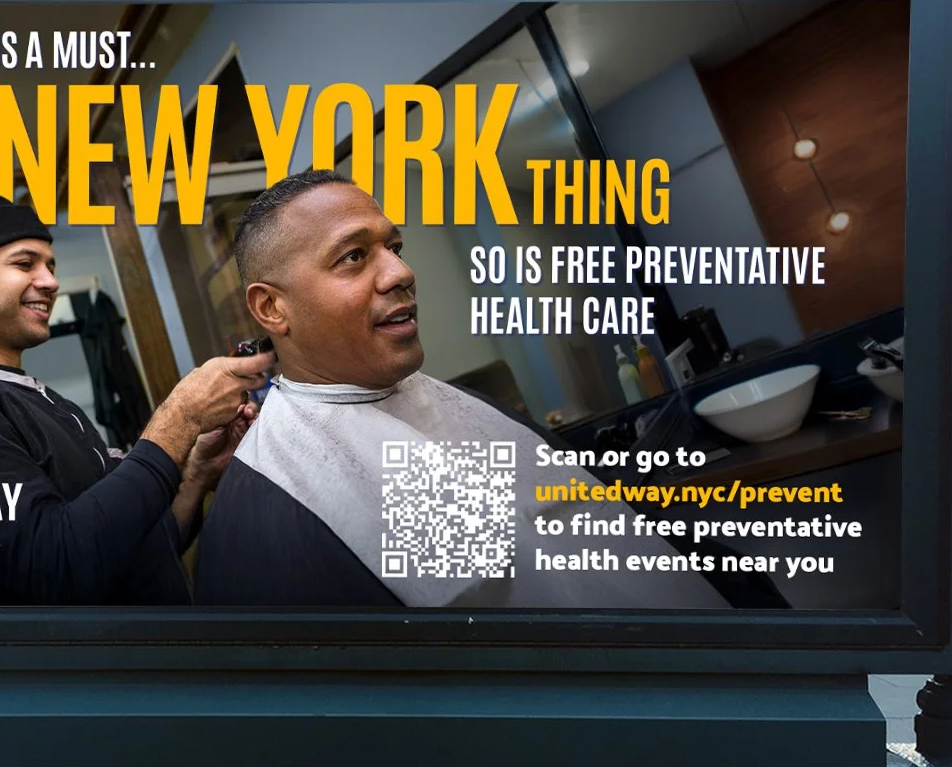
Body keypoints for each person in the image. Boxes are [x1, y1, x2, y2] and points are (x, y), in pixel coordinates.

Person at [193, 171, 740, 610]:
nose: (401, 272)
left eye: (395, 246)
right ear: (272, 308)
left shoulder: (466, 404)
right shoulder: (269, 512)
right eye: (354, 257)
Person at [0, 194, 273, 606]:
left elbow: (131, 552)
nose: (50, 281)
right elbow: (57, 568)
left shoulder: (50, 404)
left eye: (50, 265)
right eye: (25, 264)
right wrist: (181, 418)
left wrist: (196, 476)